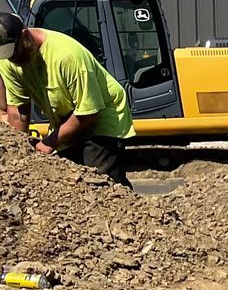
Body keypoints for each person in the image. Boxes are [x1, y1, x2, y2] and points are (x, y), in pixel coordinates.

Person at [0, 11, 133, 186]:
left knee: (101, 183)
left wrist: (50, 141)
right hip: (65, 120)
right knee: (69, 182)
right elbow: (19, 111)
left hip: (101, 116)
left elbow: (88, 114)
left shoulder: (67, 56)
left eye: (15, 53)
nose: (13, 59)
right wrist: (19, 152)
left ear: (25, 35)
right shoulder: (9, 60)